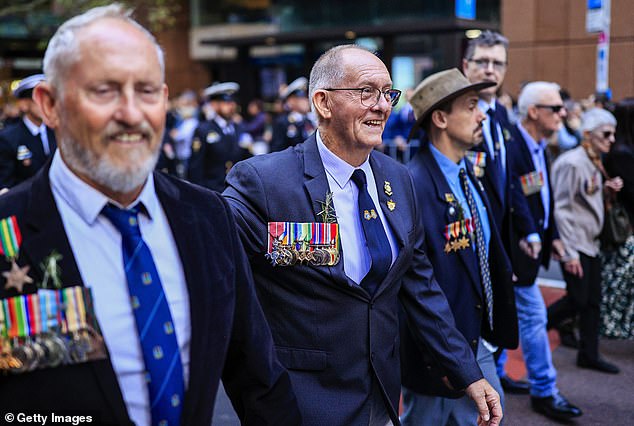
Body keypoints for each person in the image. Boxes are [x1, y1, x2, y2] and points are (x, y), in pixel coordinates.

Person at [0, 5, 300, 425]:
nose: (130, 113)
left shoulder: (209, 216)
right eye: (104, 90)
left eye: (146, 91)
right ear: (49, 105)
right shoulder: (5, 230)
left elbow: (258, 378)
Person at [224, 44, 502, 426]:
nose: (383, 105)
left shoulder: (399, 180)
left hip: (381, 397)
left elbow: (420, 288)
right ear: (323, 102)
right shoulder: (265, 182)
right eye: (366, 91)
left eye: (388, 93)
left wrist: (466, 371)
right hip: (298, 404)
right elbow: (210, 261)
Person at [402, 68, 518, 425]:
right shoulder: (415, 184)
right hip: (441, 350)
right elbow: (417, 283)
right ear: (439, 118)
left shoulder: (468, 173)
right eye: (470, 106)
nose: (482, 114)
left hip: (475, 338)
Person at [461, 29, 533, 395]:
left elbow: (513, 180)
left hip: (502, 239)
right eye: (483, 62)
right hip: (466, 242)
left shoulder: (502, 113)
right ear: (466, 65)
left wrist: (529, 230)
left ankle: (495, 371)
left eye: (497, 63)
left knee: (505, 317)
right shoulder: (454, 113)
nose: (490, 70)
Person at [507, 81, 582, 421]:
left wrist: (550, 236)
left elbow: (538, 197)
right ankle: (544, 390)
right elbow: (513, 200)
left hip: (529, 249)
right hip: (516, 252)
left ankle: (503, 374)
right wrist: (530, 235)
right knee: (535, 318)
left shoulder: (539, 145)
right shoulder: (511, 146)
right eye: (556, 108)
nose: (563, 113)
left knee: (507, 318)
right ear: (534, 112)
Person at [547, 108, 622, 374]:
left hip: (590, 241)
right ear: (588, 135)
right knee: (578, 300)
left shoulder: (594, 160)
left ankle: (589, 353)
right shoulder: (573, 162)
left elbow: (586, 198)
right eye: (606, 134)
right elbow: (562, 209)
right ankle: (537, 324)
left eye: (613, 133)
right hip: (576, 243)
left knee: (592, 301)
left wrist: (607, 190)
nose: (612, 139)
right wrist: (569, 253)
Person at [600, 98, 634, 339]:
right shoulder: (622, 151)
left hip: (623, 223)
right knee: (614, 281)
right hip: (623, 225)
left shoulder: (621, 147)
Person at [187, 82, 251, 191]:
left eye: (232, 102)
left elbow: (247, 158)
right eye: (225, 102)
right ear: (214, 105)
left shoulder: (239, 128)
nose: (231, 106)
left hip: (237, 190)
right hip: (213, 191)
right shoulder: (203, 130)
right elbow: (195, 168)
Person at [0, 74, 57, 190]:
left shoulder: (57, 132)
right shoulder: (8, 138)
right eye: (39, 100)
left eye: (49, 100)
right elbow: (6, 185)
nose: (46, 106)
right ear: (23, 105)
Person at [270, 76, 316, 153]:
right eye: (301, 97)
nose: (307, 100)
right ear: (291, 101)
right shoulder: (283, 122)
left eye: (306, 96)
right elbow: (277, 151)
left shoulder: (312, 120)